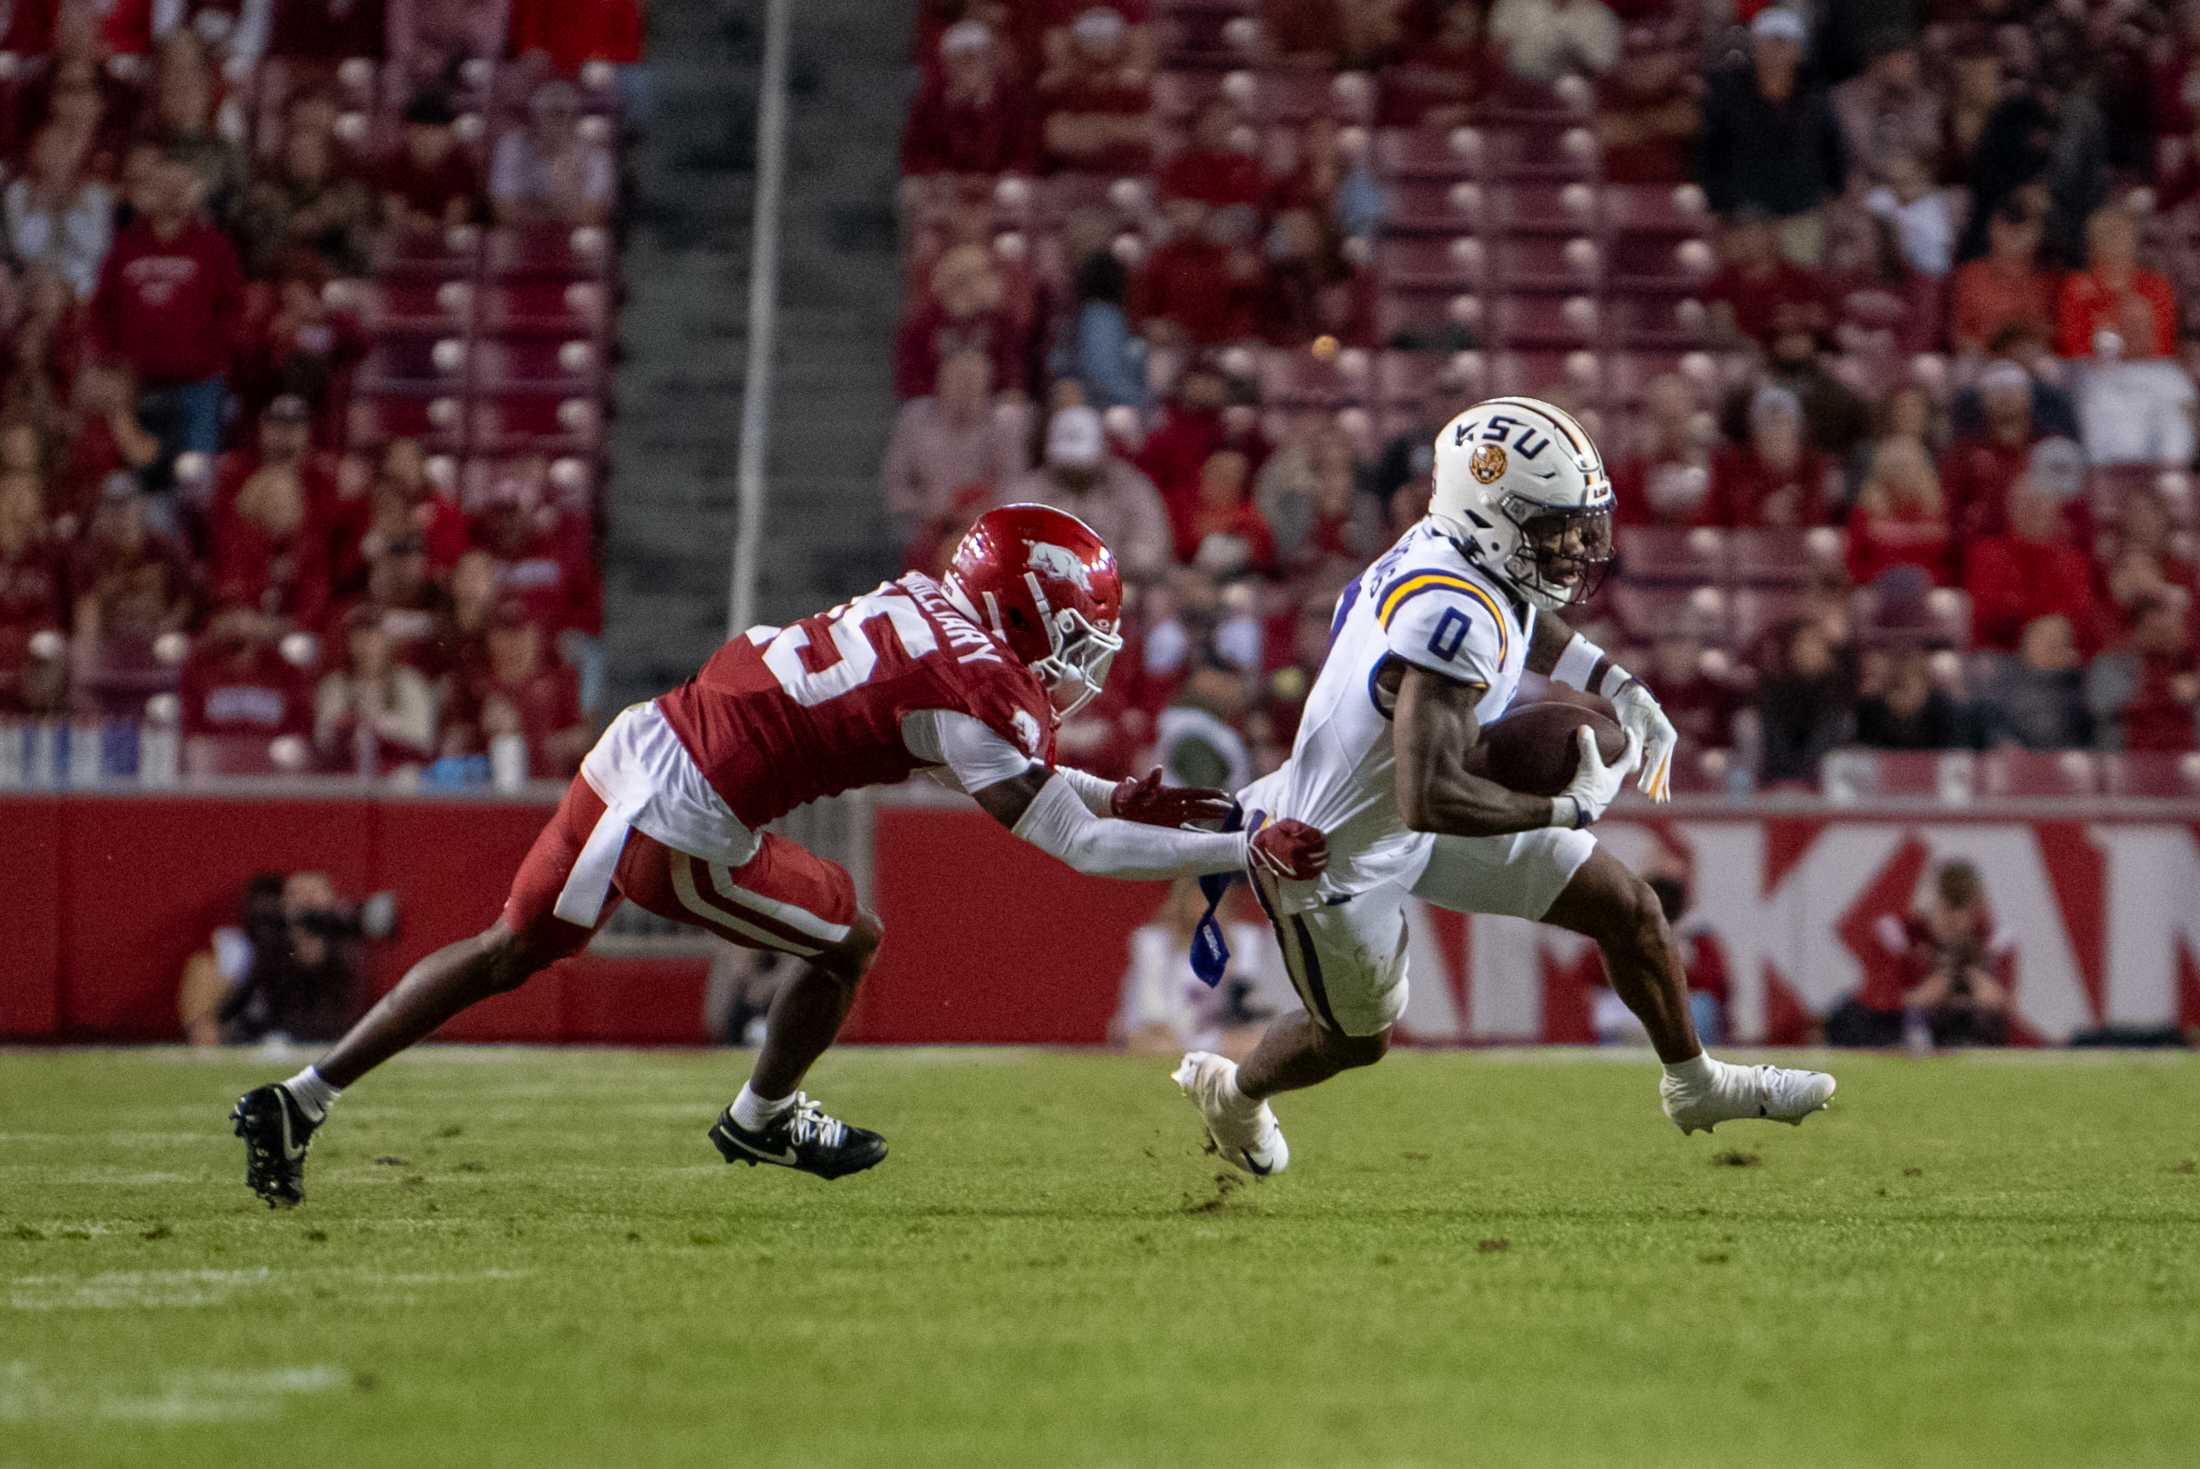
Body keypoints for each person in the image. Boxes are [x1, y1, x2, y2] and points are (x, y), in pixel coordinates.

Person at [232, 506, 1328, 1205]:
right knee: (852, 936)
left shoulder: (923, 608)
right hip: (691, 820)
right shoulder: (975, 686)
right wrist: (1239, 838)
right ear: (1024, 615)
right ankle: (760, 1118)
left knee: (508, 945)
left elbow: (1036, 783)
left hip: (643, 739)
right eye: (1075, 637)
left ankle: (304, 1092)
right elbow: (1074, 835)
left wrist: (1194, 813)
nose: (1081, 665)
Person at [1172, 397, 1835, 1178]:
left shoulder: (1463, 551)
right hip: (1338, 855)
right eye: (1552, 526)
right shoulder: (1451, 614)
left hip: (1415, 806)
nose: (1575, 546)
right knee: (1354, 1037)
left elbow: (1523, 613)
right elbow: (1429, 797)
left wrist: (1616, 683)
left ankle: (1695, 1082)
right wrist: (1565, 806)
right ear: (1491, 515)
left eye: (1578, 523)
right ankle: (1236, 1092)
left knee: (1629, 906)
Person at [87, 152, 245, 464]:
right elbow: (102, 308)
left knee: (196, 477)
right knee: (138, 474)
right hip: (136, 385)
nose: (171, 193)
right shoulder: (125, 247)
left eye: (180, 185)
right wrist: (111, 359)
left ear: (194, 191)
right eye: (162, 185)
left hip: (198, 384)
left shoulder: (215, 247)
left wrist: (211, 355)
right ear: (146, 191)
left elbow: (233, 307)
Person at [1698, 7, 1849, 266]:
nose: (1776, 50)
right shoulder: (1728, 95)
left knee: (1801, 284)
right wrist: (1721, 206)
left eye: (1785, 42)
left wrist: (1832, 194)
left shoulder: (1816, 98)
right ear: (1755, 46)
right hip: (1744, 214)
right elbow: (1711, 151)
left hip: (1801, 210)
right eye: (1769, 41)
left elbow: (1833, 152)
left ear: (1799, 50)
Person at [996, 406, 1172, 582]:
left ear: (1102, 453)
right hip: (1043, 587)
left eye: (1082, 465)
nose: (1074, 473)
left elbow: (1151, 546)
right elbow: (1006, 548)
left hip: (1120, 582)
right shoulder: (1027, 492)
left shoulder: (1130, 486)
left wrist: (1110, 564)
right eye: (1067, 465)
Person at [489, 81, 615, 227]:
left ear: (575, 119)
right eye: (548, 114)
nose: (555, 123)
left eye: (562, 114)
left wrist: (536, 207)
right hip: (524, 236)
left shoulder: (595, 153)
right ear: (534, 117)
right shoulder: (511, 146)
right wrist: (563, 208)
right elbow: (504, 214)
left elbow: (591, 216)